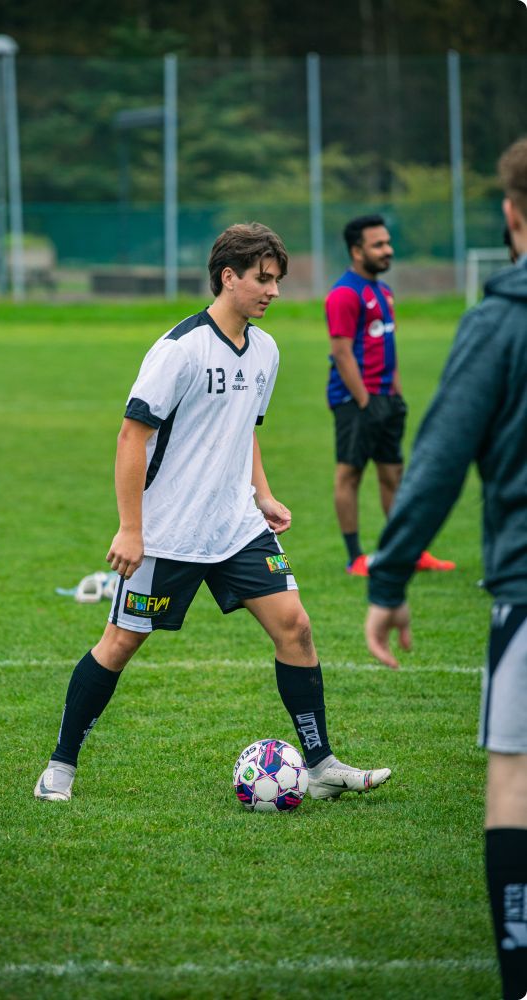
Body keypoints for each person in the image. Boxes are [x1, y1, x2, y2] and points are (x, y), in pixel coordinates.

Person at [35, 222, 392, 804]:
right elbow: (131, 436)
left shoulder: (266, 350)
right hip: (169, 532)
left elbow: (243, 431)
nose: (274, 291)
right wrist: (131, 528)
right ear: (228, 277)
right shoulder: (180, 349)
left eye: (277, 280)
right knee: (119, 644)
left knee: (296, 627)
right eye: (263, 279)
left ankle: (322, 764)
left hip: (237, 527)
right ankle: (60, 766)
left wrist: (262, 494)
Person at [365, 139, 527, 1000]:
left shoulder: (500, 322)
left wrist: (388, 580)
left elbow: (435, 464)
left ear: (510, 214)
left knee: (516, 779)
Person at [324, 214, 456, 577]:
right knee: (350, 474)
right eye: (378, 245)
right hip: (355, 400)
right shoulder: (344, 294)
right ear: (357, 251)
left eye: (388, 243)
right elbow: (341, 352)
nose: (388, 250)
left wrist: (394, 392)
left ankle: (409, 551)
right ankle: (356, 558)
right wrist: (364, 400)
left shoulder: (383, 292)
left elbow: (386, 346)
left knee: (393, 475)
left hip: (387, 397)